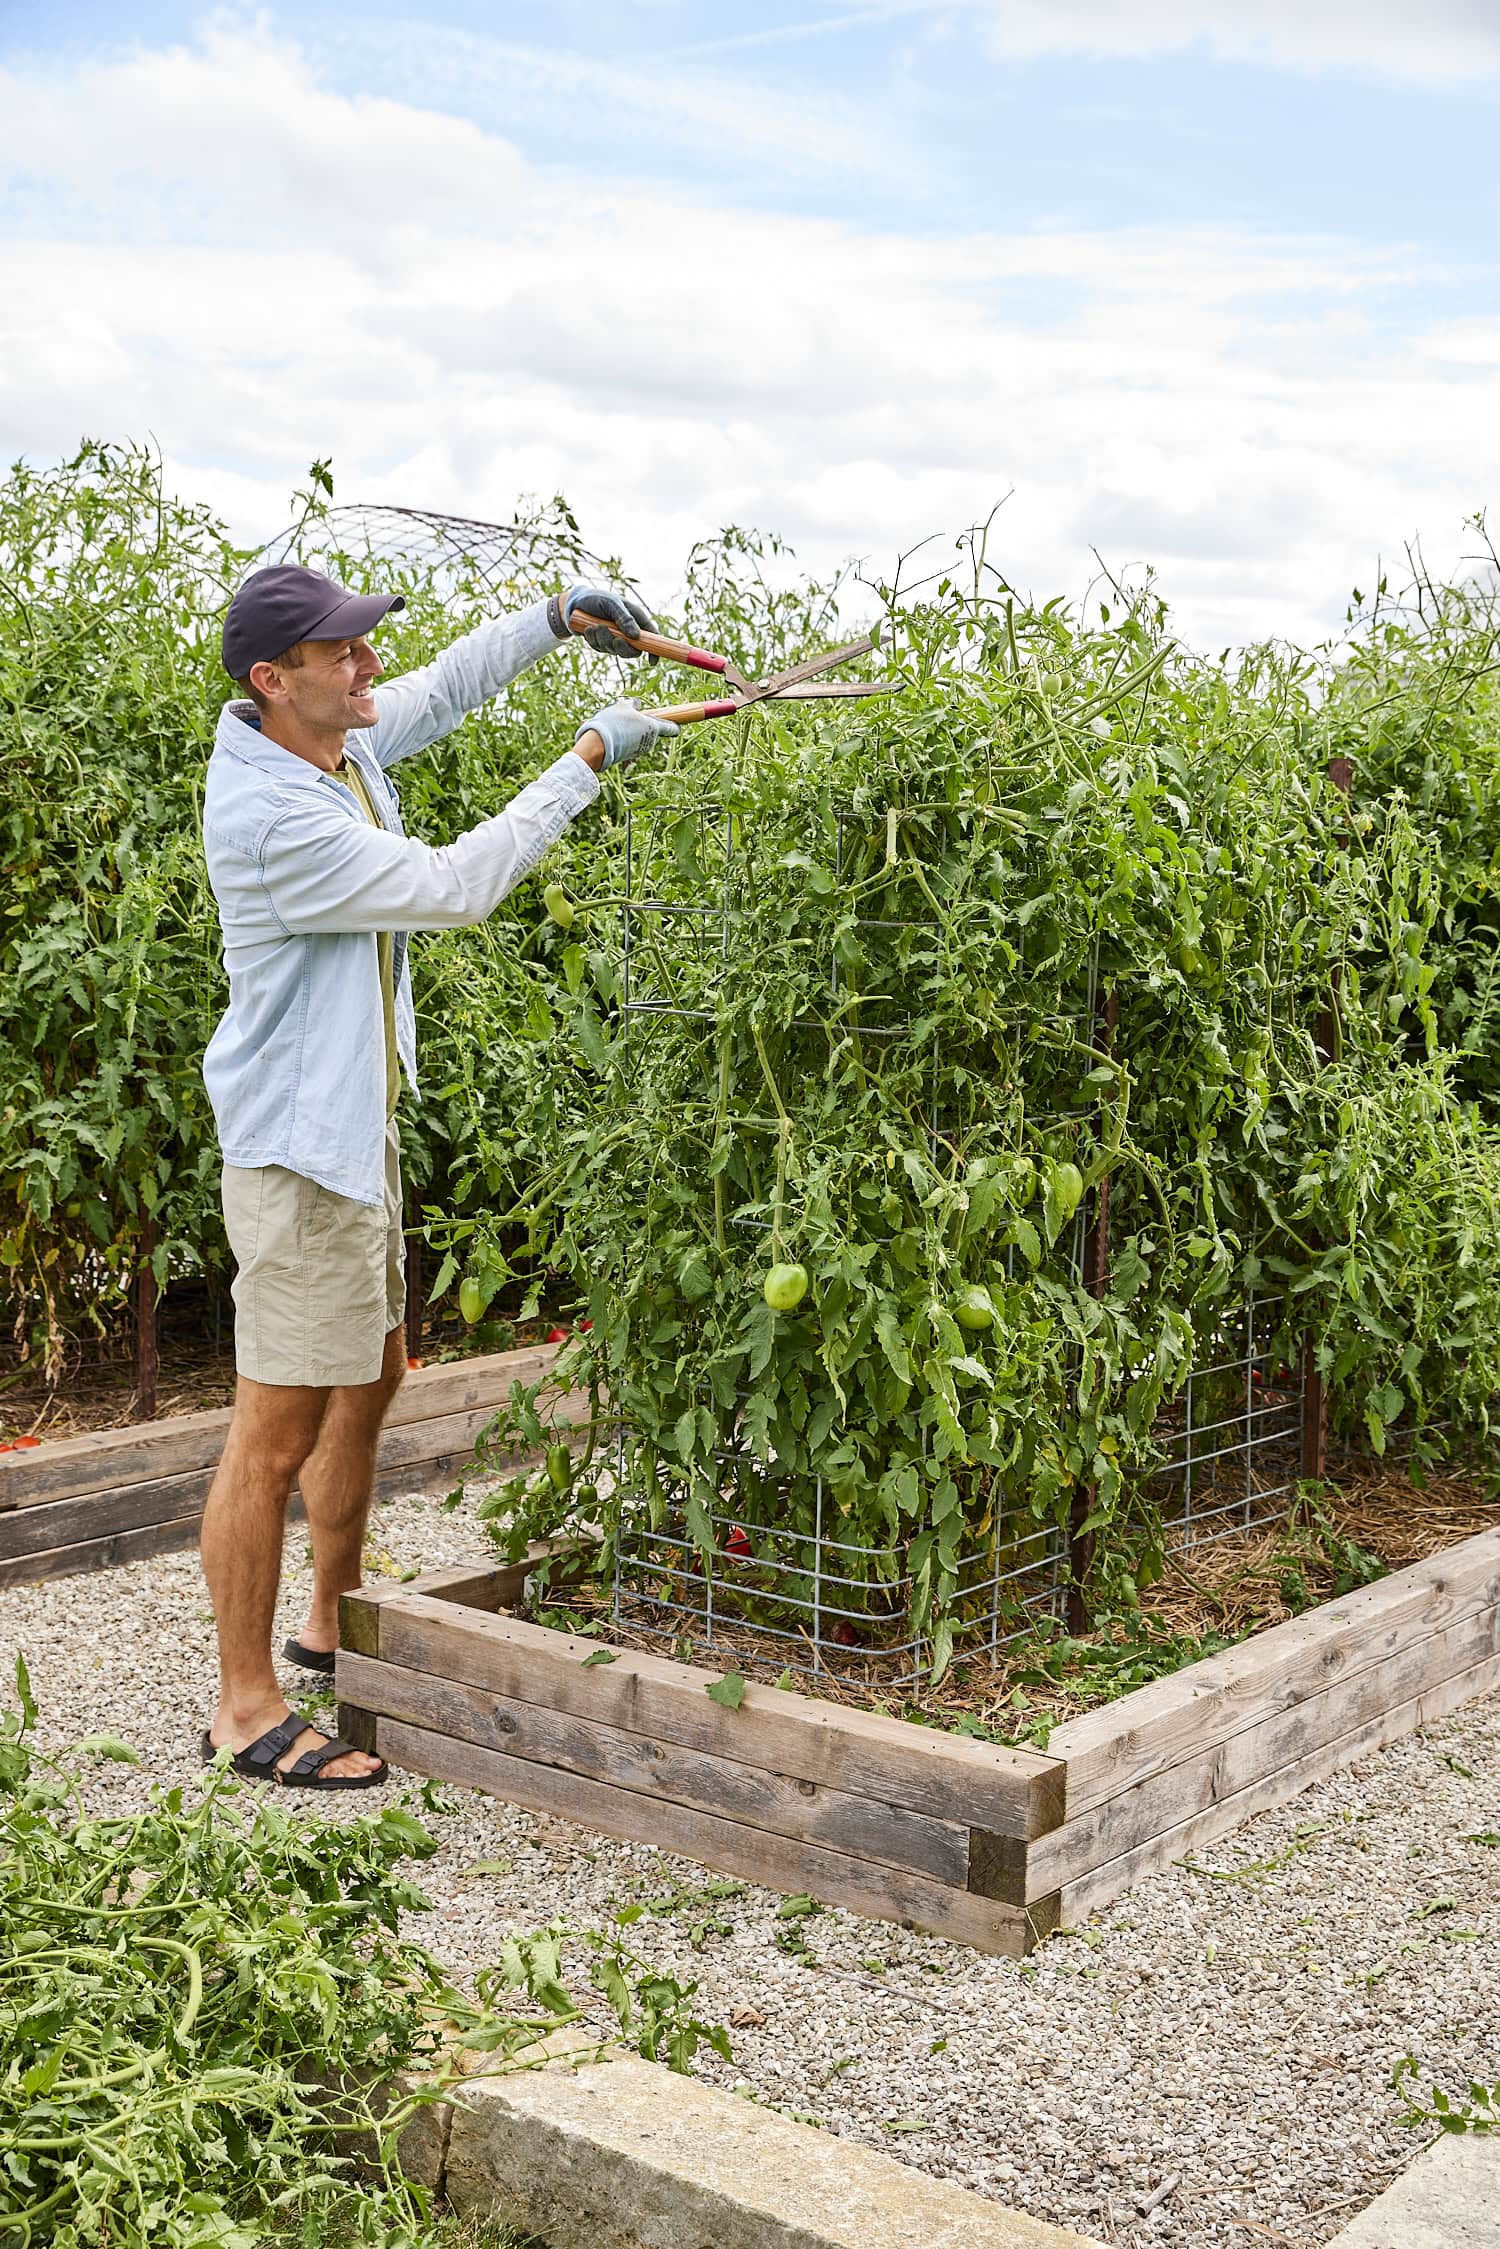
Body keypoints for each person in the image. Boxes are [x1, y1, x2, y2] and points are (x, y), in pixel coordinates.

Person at [198, 563, 676, 1788]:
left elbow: (443, 690)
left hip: (356, 1128)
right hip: (300, 1151)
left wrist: (554, 622)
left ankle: (332, 1616)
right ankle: (245, 1706)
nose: (367, 667)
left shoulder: (328, 746)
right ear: (274, 679)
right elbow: (458, 887)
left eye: (365, 645)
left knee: (372, 1373)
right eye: (344, 651)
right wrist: (588, 758)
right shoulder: (275, 817)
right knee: (274, 1427)